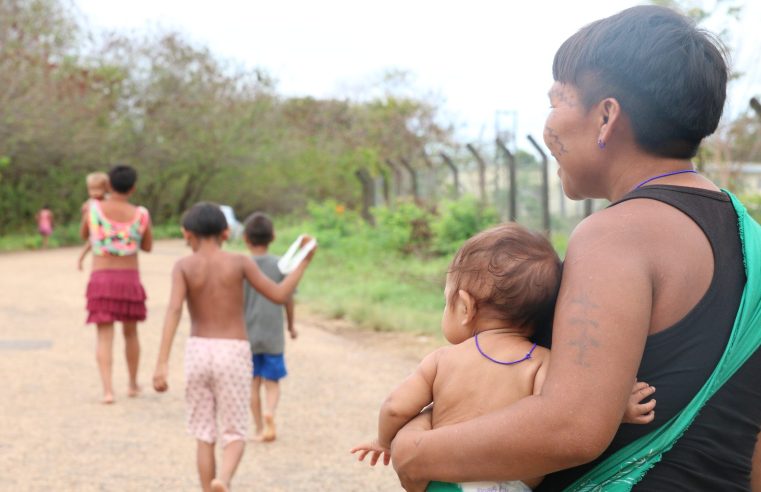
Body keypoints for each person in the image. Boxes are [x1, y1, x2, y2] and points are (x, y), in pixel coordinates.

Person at [390, 5, 761, 491]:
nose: (549, 125)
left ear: (606, 116)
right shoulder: (748, 236)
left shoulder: (615, 233)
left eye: (556, 101)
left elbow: (572, 428)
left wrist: (415, 452)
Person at [351, 223, 657, 492]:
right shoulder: (543, 363)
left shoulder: (442, 360)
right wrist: (618, 410)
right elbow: (576, 412)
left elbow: (395, 408)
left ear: (465, 307)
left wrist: (384, 442)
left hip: (442, 479)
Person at [152, 202, 314, 492]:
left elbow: (174, 310)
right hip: (234, 351)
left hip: (198, 351)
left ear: (187, 234)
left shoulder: (183, 266)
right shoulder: (240, 262)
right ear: (226, 233)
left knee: (204, 433)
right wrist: (302, 263)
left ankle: (208, 488)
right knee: (234, 432)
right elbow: (278, 295)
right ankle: (223, 480)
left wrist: (161, 363)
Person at [80, 165, 153, 404]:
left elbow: (84, 235)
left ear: (108, 185)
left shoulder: (94, 210)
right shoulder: (141, 214)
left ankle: (108, 390)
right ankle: (132, 384)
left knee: (104, 336)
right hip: (129, 279)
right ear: (133, 188)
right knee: (131, 333)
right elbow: (148, 246)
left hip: (101, 278)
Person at [242, 212, 298, 443]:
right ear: (273, 237)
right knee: (272, 381)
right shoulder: (279, 266)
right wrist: (291, 326)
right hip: (273, 334)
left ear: (245, 238)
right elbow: (287, 298)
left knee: (253, 382)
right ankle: (270, 413)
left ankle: (257, 427)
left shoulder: (241, 266)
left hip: (247, 335)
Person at [77, 172, 109, 271]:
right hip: (95, 230)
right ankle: (80, 259)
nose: (95, 192)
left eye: (98, 189)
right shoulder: (89, 203)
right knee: (89, 244)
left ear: (106, 189)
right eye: (92, 189)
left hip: (107, 230)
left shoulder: (108, 201)